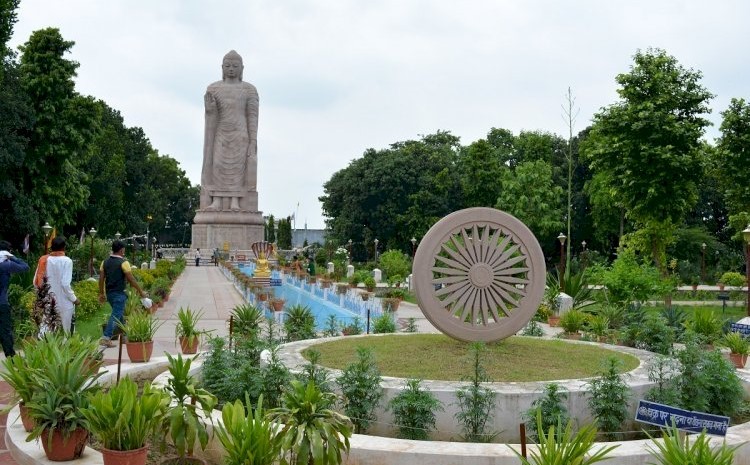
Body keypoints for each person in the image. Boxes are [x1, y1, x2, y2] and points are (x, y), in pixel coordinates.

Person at [200, 50, 259, 212]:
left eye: (235, 66)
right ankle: (217, 201)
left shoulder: (249, 90)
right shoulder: (213, 88)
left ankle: (235, 201)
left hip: (240, 134)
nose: (231, 69)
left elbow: (252, 116)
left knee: (237, 170)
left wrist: (253, 140)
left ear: (242, 68)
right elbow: (211, 115)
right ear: (222, 67)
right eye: (227, 66)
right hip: (221, 133)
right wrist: (210, 109)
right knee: (218, 166)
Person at [98, 240, 147, 347]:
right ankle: (106, 337)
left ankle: (125, 336)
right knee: (116, 316)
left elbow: (101, 279)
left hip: (110, 294)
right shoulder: (124, 262)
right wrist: (141, 292)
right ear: (121, 250)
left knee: (119, 315)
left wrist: (101, 293)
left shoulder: (104, 262)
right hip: (119, 293)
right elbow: (131, 280)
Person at [33, 236, 78, 333]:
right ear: (64, 247)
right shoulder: (67, 261)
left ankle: (42, 347)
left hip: (49, 300)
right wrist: (74, 299)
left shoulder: (44, 260)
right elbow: (65, 284)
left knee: (46, 330)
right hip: (65, 302)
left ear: (51, 247)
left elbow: (35, 282)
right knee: (67, 332)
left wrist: (43, 297)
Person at [0, 240, 29, 357]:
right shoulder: (6, 265)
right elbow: (25, 267)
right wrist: (12, 258)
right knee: (5, 330)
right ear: (8, 252)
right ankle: (11, 357)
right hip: (2, 303)